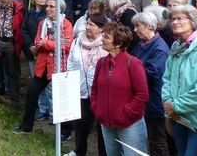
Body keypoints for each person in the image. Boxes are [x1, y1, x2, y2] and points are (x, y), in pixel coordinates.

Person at [162, 5, 197, 156]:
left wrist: (175, 105)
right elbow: (167, 78)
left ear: (193, 21)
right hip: (178, 117)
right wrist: (168, 102)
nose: (174, 22)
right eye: (172, 19)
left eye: (180, 18)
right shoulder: (176, 46)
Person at [13, 0, 73, 134]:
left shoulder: (66, 24)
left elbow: (66, 45)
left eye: (52, 6)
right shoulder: (43, 23)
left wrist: (45, 44)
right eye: (47, 6)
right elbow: (37, 40)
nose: (48, 9)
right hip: (42, 65)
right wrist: (37, 47)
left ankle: (66, 132)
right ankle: (26, 127)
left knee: (62, 99)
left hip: (59, 66)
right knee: (31, 94)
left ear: (60, 9)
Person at [91, 22, 149, 155]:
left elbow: (142, 94)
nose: (102, 40)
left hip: (130, 124)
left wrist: (127, 112)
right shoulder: (102, 63)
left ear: (118, 43)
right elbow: (95, 89)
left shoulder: (133, 63)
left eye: (106, 37)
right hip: (106, 123)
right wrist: (97, 108)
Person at [63, 13, 108, 156]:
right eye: (87, 23)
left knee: (102, 127)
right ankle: (79, 151)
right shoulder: (77, 41)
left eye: (92, 25)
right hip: (80, 90)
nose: (87, 27)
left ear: (101, 29)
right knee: (80, 124)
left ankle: (104, 153)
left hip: (100, 93)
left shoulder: (106, 44)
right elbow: (70, 60)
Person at [130, 11, 170, 156]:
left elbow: (152, 74)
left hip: (154, 102)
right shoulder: (142, 44)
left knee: (157, 140)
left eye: (138, 26)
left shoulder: (160, 49)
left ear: (149, 26)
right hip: (144, 101)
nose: (135, 30)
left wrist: (130, 74)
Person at [21, 0, 48, 77]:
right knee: (34, 76)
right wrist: (30, 45)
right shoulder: (29, 13)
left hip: (45, 50)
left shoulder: (49, 13)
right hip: (31, 49)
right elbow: (24, 30)